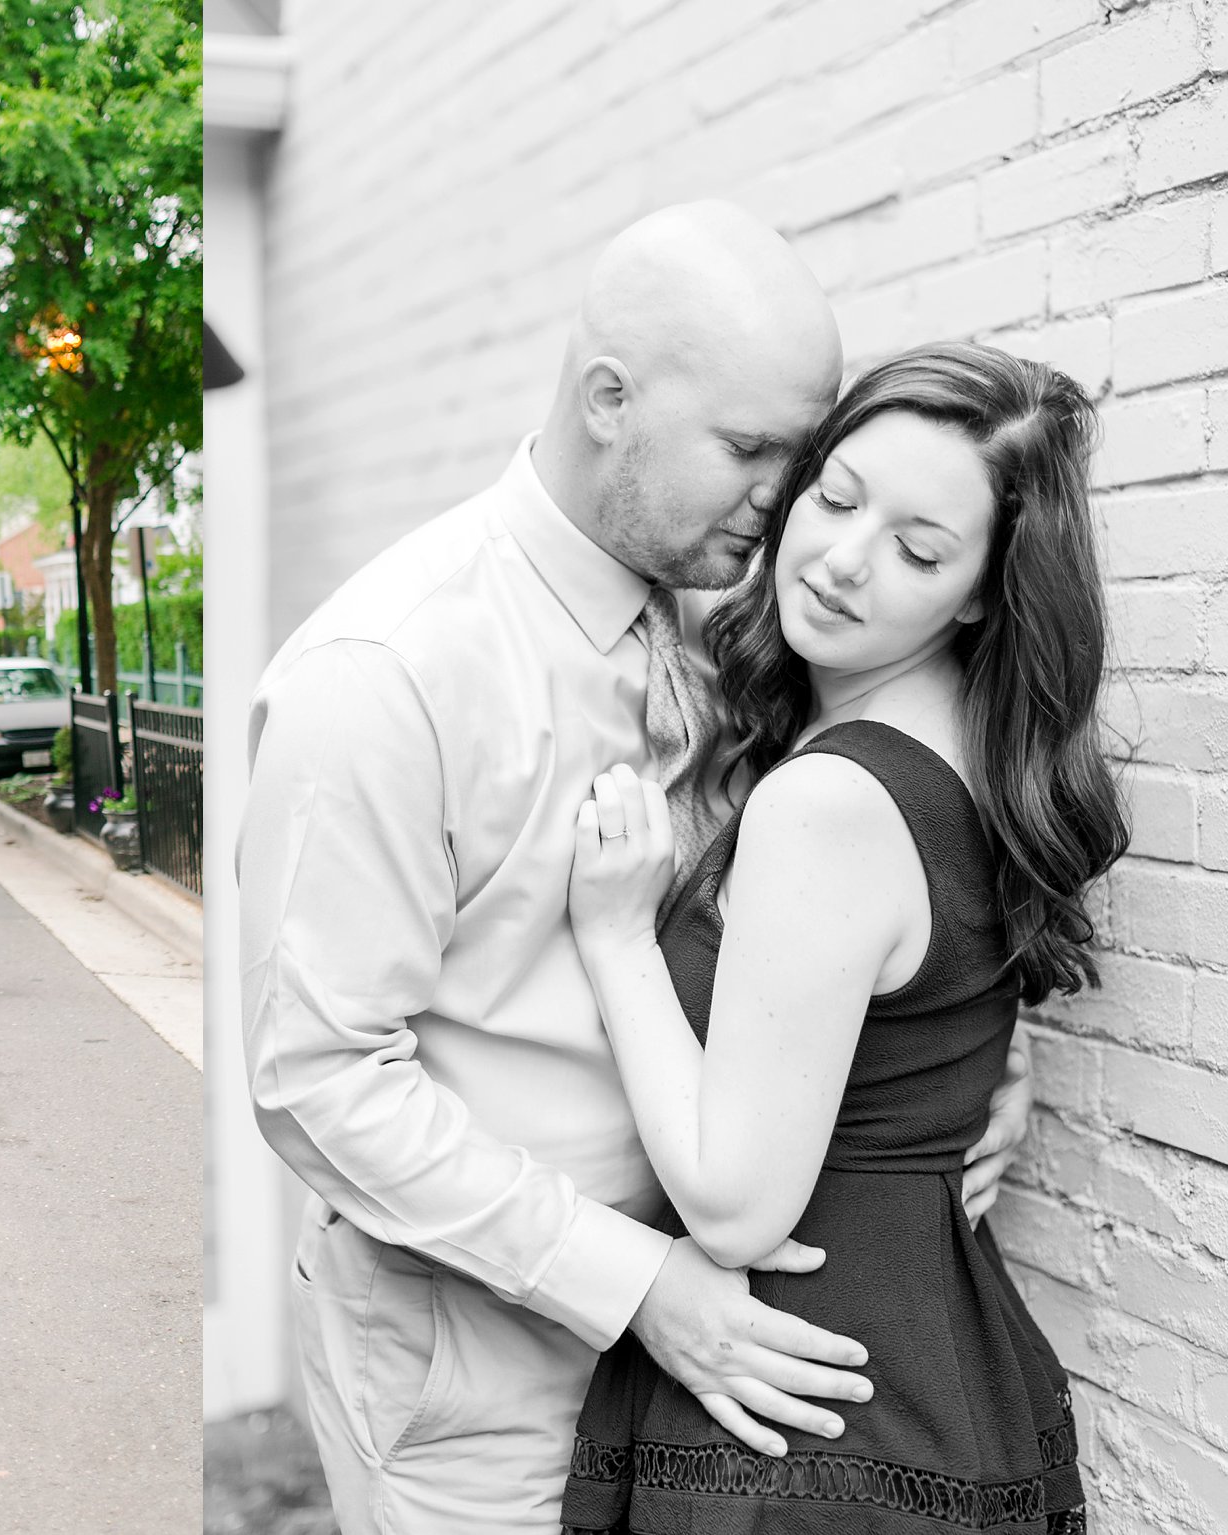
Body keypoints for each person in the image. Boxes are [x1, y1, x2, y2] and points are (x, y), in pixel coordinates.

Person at [238, 202, 1034, 1532]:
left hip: (685, 1355)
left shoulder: (723, 626)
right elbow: (315, 1076)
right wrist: (637, 1282)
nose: (789, 501)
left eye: (809, 451)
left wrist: (971, 1052)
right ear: (611, 399)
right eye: (750, 449)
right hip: (477, 1369)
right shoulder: (386, 675)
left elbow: (840, 909)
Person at [559, 344, 1119, 1533]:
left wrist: (614, 938)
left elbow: (732, 1204)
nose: (839, 560)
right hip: (920, 1379)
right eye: (834, 495)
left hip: (800, 1424)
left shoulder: (829, 804)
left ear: (977, 590)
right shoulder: (969, 755)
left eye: (918, 549)